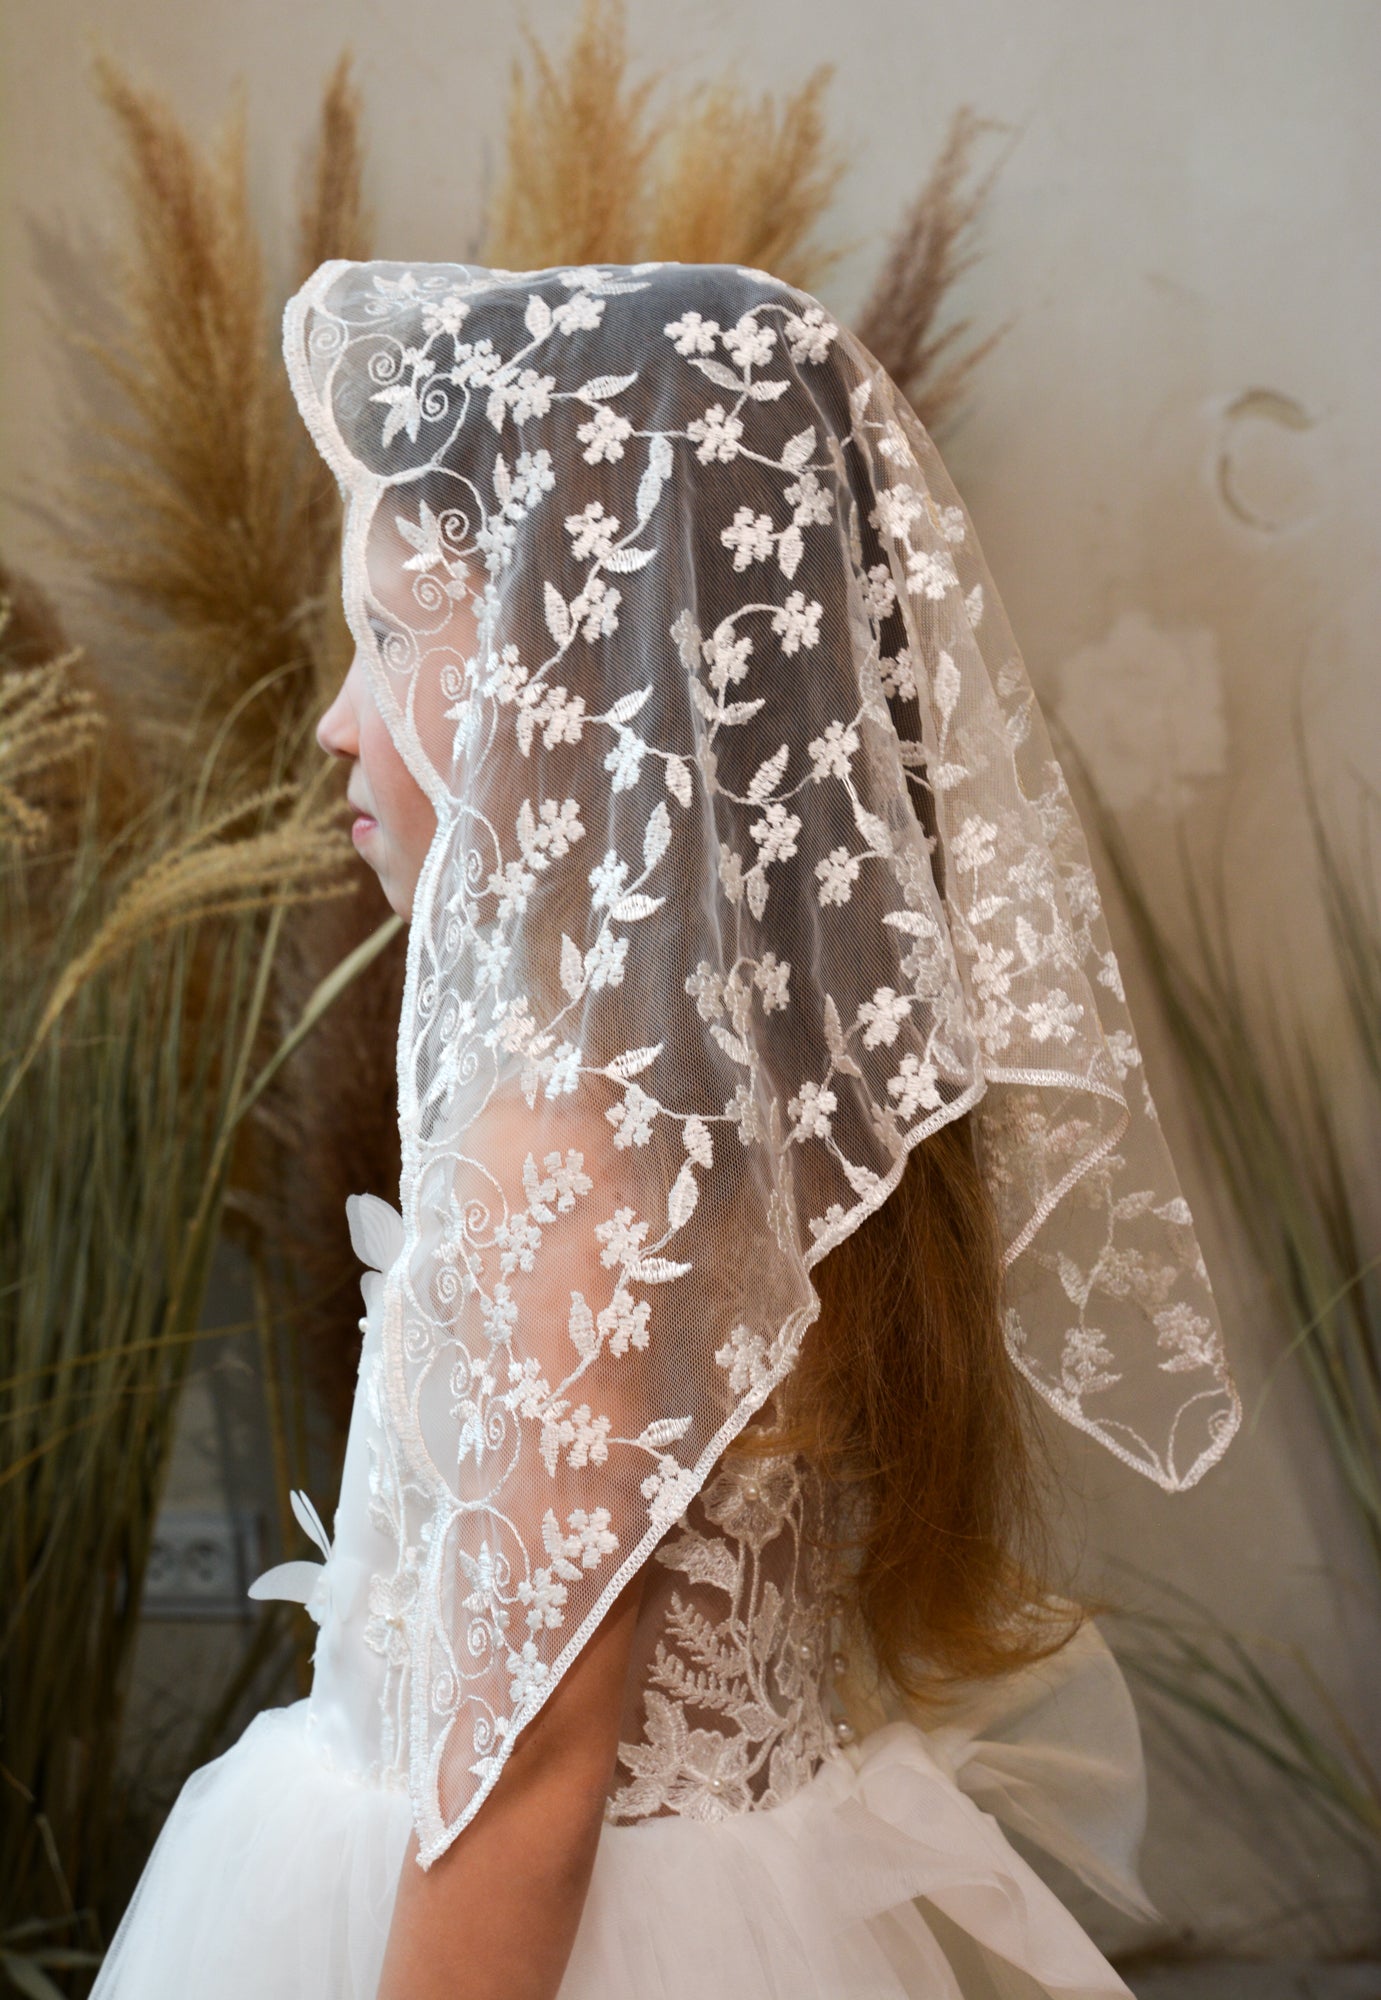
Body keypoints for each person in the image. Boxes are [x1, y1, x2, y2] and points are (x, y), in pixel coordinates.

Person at [91, 258, 1241, 2000]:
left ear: (584, 683)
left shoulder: (575, 1153)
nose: (336, 720)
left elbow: (531, 1789)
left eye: (390, 638)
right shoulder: (772, 1117)